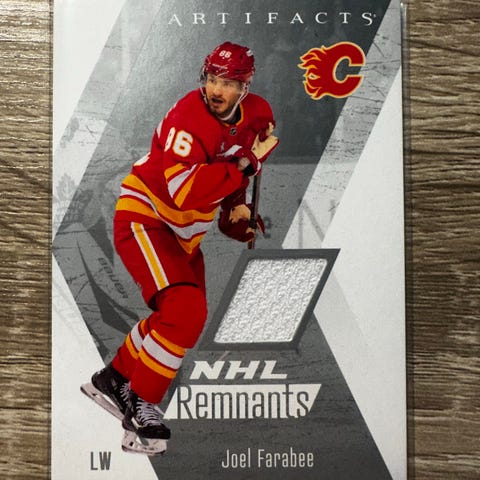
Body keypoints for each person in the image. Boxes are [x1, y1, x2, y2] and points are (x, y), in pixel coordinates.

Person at [81, 41, 278, 455]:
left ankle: (114, 379)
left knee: (179, 320)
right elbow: (186, 191)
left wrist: (237, 212)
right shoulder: (188, 118)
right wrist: (245, 164)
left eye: (228, 82)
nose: (216, 89)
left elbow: (228, 184)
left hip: (185, 234)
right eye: (212, 78)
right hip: (147, 218)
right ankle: (142, 406)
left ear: (244, 87)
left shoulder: (257, 114)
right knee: (184, 313)